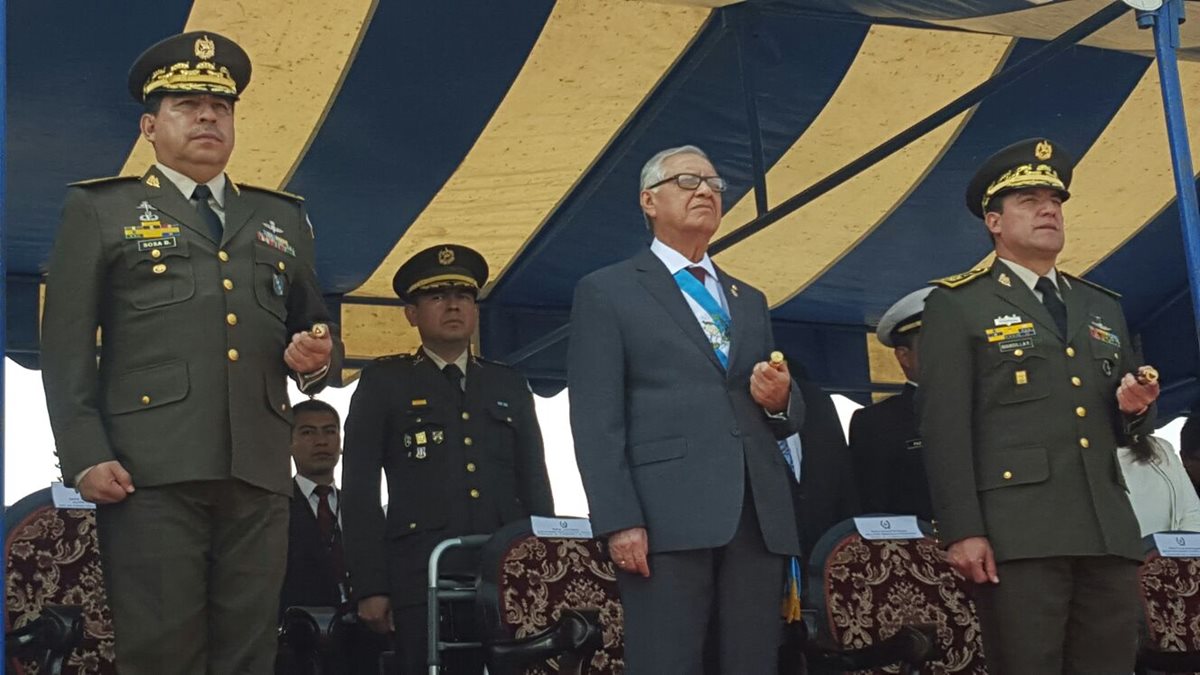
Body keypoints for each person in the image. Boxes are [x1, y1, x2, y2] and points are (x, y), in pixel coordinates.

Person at [40, 31, 341, 675]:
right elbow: (64, 346)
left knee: (250, 651)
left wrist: (317, 359)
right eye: (186, 104)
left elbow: (315, 333)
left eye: (221, 108)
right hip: (149, 469)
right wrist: (84, 453)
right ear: (150, 126)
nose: (208, 116)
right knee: (161, 652)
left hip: (259, 470)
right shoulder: (102, 209)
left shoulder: (281, 218)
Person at [918, 138, 1160, 674]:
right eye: (1028, 200)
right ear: (994, 222)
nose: (1049, 209)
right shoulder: (959, 304)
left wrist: (1136, 409)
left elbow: (1123, 426)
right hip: (1018, 533)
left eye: (1054, 200)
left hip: (1105, 529)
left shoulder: (1100, 305)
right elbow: (944, 428)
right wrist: (962, 529)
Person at [568, 145, 803, 674]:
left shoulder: (749, 299)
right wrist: (620, 519)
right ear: (649, 201)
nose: (705, 192)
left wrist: (782, 399)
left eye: (715, 185)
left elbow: (784, 413)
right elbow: (595, 417)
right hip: (663, 518)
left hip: (756, 515)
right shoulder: (608, 290)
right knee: (667, 662)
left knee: (751, 662)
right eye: (688, 181)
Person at [341, 244, 554, 675]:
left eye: (463, 295)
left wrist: (545, 566)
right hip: (420, 569)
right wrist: (370, 585)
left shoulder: (507, 383)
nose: (453, 305)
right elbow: (359, 491)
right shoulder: (385, 382)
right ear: (412, 314)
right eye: (437, 296)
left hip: (505, 566)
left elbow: (535, 481)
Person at [848, 287, 935, 520]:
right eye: (934, 345)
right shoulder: (877, 423)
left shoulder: (992, 407)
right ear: (903, 356)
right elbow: (873, 508)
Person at [281, 399, 349, 615]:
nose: (321, 441)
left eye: (330, 432)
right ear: (288, 442)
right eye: (308, 433)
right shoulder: (276, 507)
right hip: (295, 630)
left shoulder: (359, 506)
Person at [1118, 435, 1200, 536]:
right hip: (1129, 548)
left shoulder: (1161, 447)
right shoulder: (1097, 455)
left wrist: (1183, 548)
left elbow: (1192, 514)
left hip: (1176, 548)